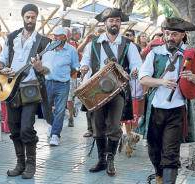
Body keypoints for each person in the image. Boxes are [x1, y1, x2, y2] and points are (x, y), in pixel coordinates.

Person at [138, 17, 195, 184]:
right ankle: (160, 178)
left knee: (171, 153)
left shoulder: (191, 55)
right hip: (155, 110)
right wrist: (161, 82)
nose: (169, 37)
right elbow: (143, 79)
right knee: (154, 150)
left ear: (183, 35)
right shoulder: (155, 53)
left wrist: (193, 77)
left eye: (174, 34)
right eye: (167, 33)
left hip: (177, 110)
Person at [80, 8, 142, 176]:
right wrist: (84, 67)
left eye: (117, 21)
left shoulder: (128, 44)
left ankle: (110, 160)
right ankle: (101, 159)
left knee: (114, 126)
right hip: (97, 90)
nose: (114, 23)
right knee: (97, 126)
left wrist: (135, 71)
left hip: (118, 90)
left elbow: (137, 64)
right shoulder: (94, 43)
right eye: (111, 21)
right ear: (104, 23)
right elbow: (85, 61)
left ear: (120, 23)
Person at [0, 4, 52, 179]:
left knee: (26, 127)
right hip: (11, 90)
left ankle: (31, 165)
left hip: (31, 89)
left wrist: (40, 67)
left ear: (37, 18)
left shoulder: (44, 43)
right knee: (14, 127)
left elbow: (49, 71)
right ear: (23, 17)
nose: (30, 20)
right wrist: (2, 68)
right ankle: (20, 164)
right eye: (27, 17)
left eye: (33, 17)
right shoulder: (12, 37)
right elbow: (1, 60)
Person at [43, 26, 80, 145]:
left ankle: (55, 134)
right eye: (54, 35)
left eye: (58, 35)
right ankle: (53, 126)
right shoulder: (48, 48)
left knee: (59, 110)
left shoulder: (71, 50)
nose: (54, 37)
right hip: (48, 82)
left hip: (63, 84)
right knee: (45, 108)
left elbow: (74, 68)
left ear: (64, 37)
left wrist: (65, 76)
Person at [67, 27, 82, 127]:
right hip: (65, 75)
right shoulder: (69, 44)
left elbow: (79, 59)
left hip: (72, 75)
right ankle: (70, 116)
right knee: (68, 97)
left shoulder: (76, 44)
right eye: (79, 34)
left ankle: (71, 116)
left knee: (70, 97)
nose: (80, 36)